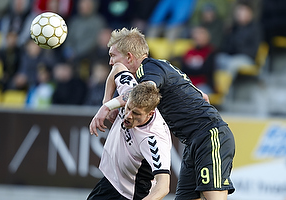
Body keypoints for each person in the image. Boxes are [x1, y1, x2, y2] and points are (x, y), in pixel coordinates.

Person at [89, 27, 235, 200]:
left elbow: (144, 90)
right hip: (192, 142)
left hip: (210, 136)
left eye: (113, 56)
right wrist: (106, 101)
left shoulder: (148, 69)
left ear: (129, 56)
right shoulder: (159, 66)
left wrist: (108, 107)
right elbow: (118, 70)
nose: (110, 62)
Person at [87, 64, 172, 200]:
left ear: (150, 114)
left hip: (131, 193)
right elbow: (118, 67)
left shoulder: (153, 139)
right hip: (111, 181)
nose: (128, 116)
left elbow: (163, 186)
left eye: (136, 113)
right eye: (128, 108)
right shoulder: (131, 92)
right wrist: (107, 104)